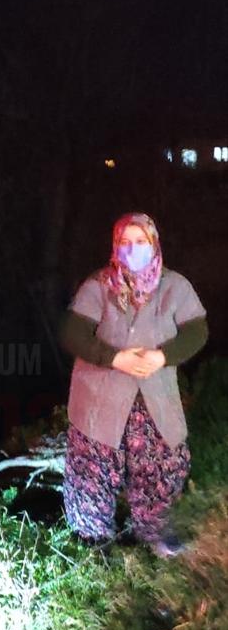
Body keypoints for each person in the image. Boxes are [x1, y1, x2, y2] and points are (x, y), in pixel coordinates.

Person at [59, 212, 208, 557]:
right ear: (115, 245)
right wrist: (114, 358)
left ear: (154, 243)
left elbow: (196, 331)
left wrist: (162, 356)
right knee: (91, 471)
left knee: (161, 463)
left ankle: (156, 535)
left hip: (153, 398)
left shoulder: (175, 286)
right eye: (125, 242)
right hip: (100, 399)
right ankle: (92, 546)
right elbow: (73, 332)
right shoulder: (99, 285)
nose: (132, 249)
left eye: (140, 241)